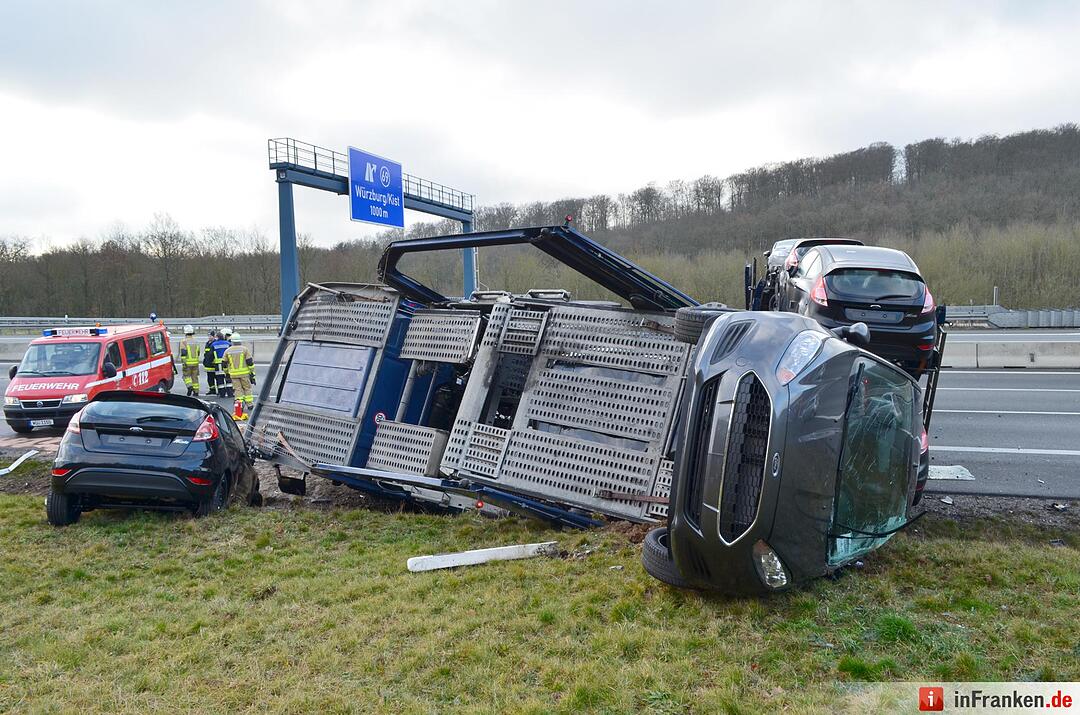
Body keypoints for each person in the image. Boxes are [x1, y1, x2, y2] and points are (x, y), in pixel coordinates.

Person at [222, 333, 256, 419]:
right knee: (247, 388)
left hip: (233, 374)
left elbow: (224, 364)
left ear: (232, 341)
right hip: (244, 373)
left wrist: (226, 373)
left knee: (237, 390)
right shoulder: (245, 349)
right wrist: (252, 372)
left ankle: (239, 405)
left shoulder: (227, 351)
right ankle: (250, 404)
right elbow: (250, 362)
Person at [177, 324, 202, 396]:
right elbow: (198, 352)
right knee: (195, 377)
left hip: (187, 363)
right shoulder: (196, 341)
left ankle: (189, 386)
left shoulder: (183, 341)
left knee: (186, 376)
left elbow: (183, 353)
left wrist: (184, 362)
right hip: (195, 363)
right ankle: (196, 391)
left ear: (185, 332)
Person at [202, 330, 219, 396]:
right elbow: (206, 353)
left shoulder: (215, 343)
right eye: (208, 336)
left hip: (214, 364)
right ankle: (212, 390)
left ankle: (219, 391)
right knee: (210, 378)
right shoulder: (207, 343)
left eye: (211, 336)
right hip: (208, 364)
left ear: (214, 336)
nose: (209, 337)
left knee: (216, 378)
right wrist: (205, 361)